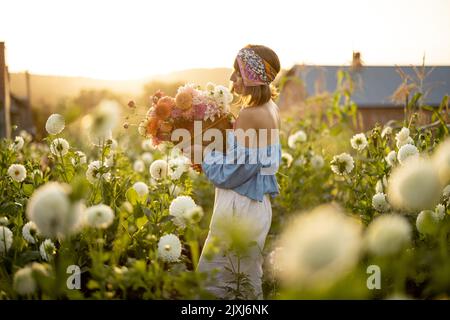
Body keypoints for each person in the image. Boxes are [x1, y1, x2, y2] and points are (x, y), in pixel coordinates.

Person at [196, 44, 281, 299]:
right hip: (257, 206)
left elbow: (229, 174)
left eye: (238, 72)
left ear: (253, 77)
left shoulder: (250, 114)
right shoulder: (271, 109)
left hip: (239, 207)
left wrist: (203, 153)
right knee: (244, 280)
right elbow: (251, 162)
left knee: (214, 285)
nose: (232, 78)